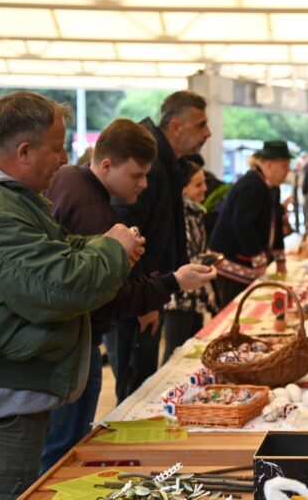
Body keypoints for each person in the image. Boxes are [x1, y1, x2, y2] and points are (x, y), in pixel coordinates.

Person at [0, 91, 143, 498]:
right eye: (57, 147)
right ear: (25, 151)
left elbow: (56, 253)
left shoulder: (5, 201)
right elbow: (58, 286)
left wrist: (106, 250)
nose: (65, 159)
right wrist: (112, 247)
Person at [42, 119, 216, 472]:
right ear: (106, 165)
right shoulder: (96, 211)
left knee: (60, 444)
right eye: (137, 175)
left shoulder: (70, 181)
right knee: (64, 450)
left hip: (68, 340)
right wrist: (172, 282)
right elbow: (112, 298)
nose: (144, 184)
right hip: (73, 344)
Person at [106, 90, 211, 403]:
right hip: (136, 300)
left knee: (144, 380)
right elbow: (126, 232)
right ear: (176, 126)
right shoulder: (149, 159)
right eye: (201, 125)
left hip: (151, 290)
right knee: (135, 388)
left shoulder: (167, 162)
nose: (208, 133)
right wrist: (143, 301)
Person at [209, 140, 290, 307]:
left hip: (246, 262)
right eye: (284, 166)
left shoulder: (272, 187)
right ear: (268, 166)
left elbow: (276, 223)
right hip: (231, 265)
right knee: (234, 312)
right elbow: (242, 225)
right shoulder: (251, 185)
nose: (288, 171)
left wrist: (280, 258)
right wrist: (260, 261)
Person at [162, 159, 218, 364]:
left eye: (204, 182)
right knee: (175, 355)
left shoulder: (195, 212)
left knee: (189, 351)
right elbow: (182, 257)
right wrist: (209, 259)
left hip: (194, 294)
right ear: (183, 189)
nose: (205, 188)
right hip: (179, 297)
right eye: (198, 184)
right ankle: (163, 395)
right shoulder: (182, 215)